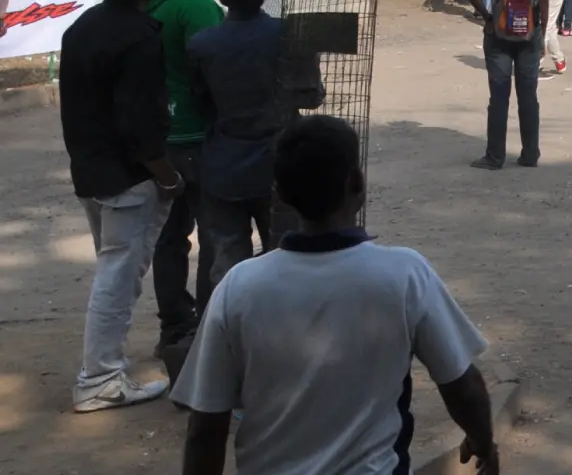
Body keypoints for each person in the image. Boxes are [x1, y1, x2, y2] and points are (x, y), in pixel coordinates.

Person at [171, 116, 501, 475]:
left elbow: (205, 429)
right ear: (357, 185)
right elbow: (462, 386)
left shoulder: (239, 286)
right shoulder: (404, 274)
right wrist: (483, 442)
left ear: (279, 193)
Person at [59, 0, 182, 411]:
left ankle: (104, 370)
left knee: (116, 271)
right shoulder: (138, 39)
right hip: (126, 178)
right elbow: (140, 125)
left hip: (91, 173)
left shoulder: (82, 28)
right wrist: (166, 176)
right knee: (119, 274)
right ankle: (100, 379)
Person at [187, 0, 311, 310]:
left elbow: (201, 103)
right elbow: (311, 95)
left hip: (223, 167)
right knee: (289, 261)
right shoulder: (290, 34)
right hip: (282, 166)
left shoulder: (202, 44)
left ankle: (228, 343)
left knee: (226, 266)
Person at [148, 0, 221, 357]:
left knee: (169, 239)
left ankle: (174, 328)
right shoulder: (195, 5)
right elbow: (211, 70)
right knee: (214, 236)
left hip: (162, 137)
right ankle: (206, 335)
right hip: (196, 134)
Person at [463, 0, 552, 171]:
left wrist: (488, 17)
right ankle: (530, 154)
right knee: (529, 94)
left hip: (498, 34)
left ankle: (494, 156)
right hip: (529, 34)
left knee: (498, 96)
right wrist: (542, 33)